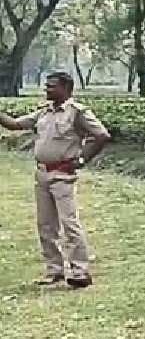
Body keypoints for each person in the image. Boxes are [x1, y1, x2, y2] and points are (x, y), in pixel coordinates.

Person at [0, 72, 110, 288]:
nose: (47, 90)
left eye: (52, 86)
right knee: (46, 225)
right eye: (46, 86)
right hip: (42, 174)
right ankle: (54, 270)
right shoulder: (44, 112)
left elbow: (102, 135)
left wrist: (81, 160)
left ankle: (80, 271)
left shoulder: (77, 113)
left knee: (69, 223)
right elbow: (14, 125)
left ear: (66, 89)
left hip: (62, 175)